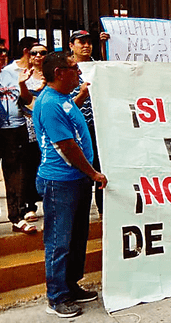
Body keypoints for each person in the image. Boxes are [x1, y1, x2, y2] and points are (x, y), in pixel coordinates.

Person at [34, 51, 108, 318]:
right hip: (60, 182)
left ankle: (71, 285)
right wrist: (93, 173)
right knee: (59, 240)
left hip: (75, 180)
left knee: (77, 237)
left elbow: (70, 119)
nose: (78, 72)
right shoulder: (49, 103)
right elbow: (66, 147)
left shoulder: (63, 98)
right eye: (74, 68)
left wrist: (81, 96)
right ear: (59, 73)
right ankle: (56, 297)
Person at [1, 36, 38, 234]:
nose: (2, 55)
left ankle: (16, 217)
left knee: (15, 172)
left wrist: (23, 84)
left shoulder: (10, 74)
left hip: (13, 129)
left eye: (4, 52)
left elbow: (25, 100)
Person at [68, 30, 104, 217]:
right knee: (81, 169)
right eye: (81, 42)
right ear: (71, 45)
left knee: (100, 166)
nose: (86, 45)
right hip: (77, 127)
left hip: (99, 126)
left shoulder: (99, 68)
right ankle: (80, 211)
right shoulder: (66, 69)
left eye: (89, 42)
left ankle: (103, 209)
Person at [18, 43, 49, 222]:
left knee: (46, 164)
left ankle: (48, 202)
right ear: (29, 56)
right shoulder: (24, 76)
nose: (38, 56)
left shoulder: (53, 74)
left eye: (42, 53)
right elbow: (23, 101)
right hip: (30, 127)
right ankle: (30, 206)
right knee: (30, 166)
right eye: (34, 53)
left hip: (49, 127)